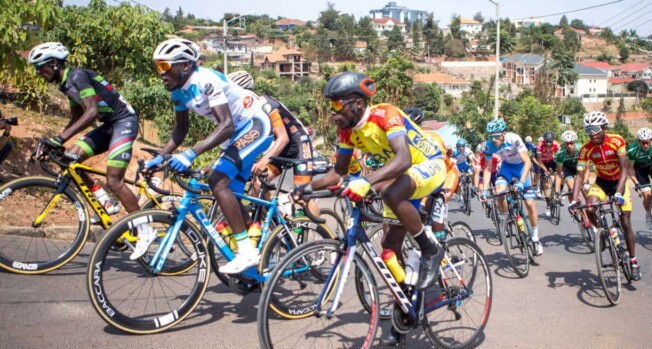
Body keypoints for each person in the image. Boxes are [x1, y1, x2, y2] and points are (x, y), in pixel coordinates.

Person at [300, 72, 446, 293]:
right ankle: (407, 298)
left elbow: (404, 158)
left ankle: (430, 249)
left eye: (338, 104)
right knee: (389, 246)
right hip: (402, 176)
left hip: (429, 164)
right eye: (331, 104)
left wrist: (366, 182)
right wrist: (307, 188)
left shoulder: (385, 114)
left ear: (358, 103)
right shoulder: (347, 132)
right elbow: (338, 173)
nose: (333, 111)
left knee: (390, 193)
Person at [146, 38, 274, 274]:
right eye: (158, 68)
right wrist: (161, 156)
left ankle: (246, 252)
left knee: (217, 180)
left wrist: (190, 154)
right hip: (237, 133)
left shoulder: (205, 80)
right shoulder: (178, 93)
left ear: (185, 66)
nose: (161, 74)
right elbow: (180, 130)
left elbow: (225, 125)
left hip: (254, 124)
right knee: (232, 196)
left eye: (165, 66)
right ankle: (257, 255)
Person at [28, 42, 150, 256]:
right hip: (109, 125)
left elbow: (91, 112)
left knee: (114, 179)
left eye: (40, 67)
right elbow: (77, 117)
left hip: (124, 122)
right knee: (69, 158)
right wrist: (57, 142)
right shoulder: (65, 84)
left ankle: (145, 229)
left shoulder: (77, 76)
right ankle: (105, 203)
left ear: (54, 63)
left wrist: (59, 138)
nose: (39, 73)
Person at [226, 70, 318, 217]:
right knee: (257, 184)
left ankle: (324, 237)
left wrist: (263, 161)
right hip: (281, 147)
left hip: (299, 143)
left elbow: (283, 138)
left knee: (302, 195)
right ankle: (274, 221)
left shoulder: (265, 104)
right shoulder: (246, 110)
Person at [570, 111, 640, 280]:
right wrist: (573, 200)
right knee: (590, 207)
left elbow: (625, 170)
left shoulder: (617, 141)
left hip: (619, 181)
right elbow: (579, 176)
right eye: (588, 130)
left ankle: (633, 261)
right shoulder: (586, 149)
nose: (592, 133)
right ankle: (603, 232)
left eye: (594, 129)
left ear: (603, 127)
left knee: (625, 221)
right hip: (601, 181)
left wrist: (618, 192)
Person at [482, 119, 543, 256]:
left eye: (496, 135)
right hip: (507, 168)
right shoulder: (489, 145)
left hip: (521, 168)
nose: (493, 139)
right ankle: (506, 217)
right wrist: (484, 190)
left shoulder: (514, 139)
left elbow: (527, 162)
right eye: (490, 136)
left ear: (504, 133)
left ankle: (535, 237)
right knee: (499, 192)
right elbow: (487, 168)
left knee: (529, 202)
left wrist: (521, 182)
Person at [554, 130, 590, 213]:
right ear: (564, 143)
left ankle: (590, 209)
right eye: (567, 143)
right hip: (568, 168)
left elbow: (587, 169)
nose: (569, 146)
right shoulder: (560, 153)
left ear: (575, 142)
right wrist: (557, 191)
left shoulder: (581, 149)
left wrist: (584, 183)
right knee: (571, 188)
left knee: (585, 191)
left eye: (571, 143)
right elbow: (559, 174)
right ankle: (573, 208)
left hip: (580, 167)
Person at [537, 131, 561, 216]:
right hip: (543, 162)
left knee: (561, 174)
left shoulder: (556, 144)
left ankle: (558, 190)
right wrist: (545, 170)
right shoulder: (540, 145)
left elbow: (561, 157)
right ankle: (548, 204)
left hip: (552, 160)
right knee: (545, 183)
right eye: (546, 141)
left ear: (553, 140)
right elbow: (539, 160)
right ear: (544, 140)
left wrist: (559, 169)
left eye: (550, 141)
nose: (548, 143)